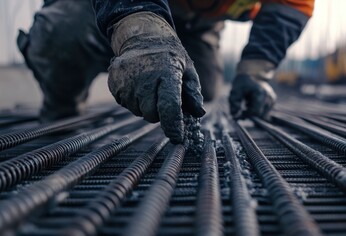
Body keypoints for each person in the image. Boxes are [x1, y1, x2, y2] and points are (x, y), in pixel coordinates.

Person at [18, 0, 314, 144]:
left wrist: (256, 70)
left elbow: (291, 5)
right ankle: (62, 112)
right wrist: (140, 35)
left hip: (197, 19)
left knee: (199, 90)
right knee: (64, 36)